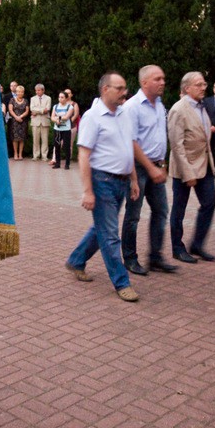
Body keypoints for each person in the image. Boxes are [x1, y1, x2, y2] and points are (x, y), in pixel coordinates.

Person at [66, 72, 140, 302]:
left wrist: (134, 180)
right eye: (119, 88)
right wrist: (88, 191)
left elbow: (128, 148)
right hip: (102, 182)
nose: (124, 92)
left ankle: (77, 260)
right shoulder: (92, 117)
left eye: (125, 88)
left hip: (121, 182)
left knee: (101, 229)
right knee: (110, 235)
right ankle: (122, 282)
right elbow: (84, 154)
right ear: (105, 89)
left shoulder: (124, 114)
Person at [121, 65, 177, 275]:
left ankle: (155, 257)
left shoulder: (159, 104)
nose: (163, 82)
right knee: (133, 214)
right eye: (157, 79)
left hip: (156, 166)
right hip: (137, 168)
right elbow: (131, 141)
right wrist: (150, 168)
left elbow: (159, 136)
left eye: (163, 78)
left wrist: (161, 165)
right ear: (144, 82)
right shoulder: (132, 107)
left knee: (161, 211)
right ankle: (130, 258)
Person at [169, 72, 215, 264]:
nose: (204, 87)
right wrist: (188, 173)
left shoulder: (201, 107)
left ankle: (197, 244)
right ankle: (177, 248)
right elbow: (176, 144)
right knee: (179, 209)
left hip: (204, 164)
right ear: (187, 88)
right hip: (184, 167)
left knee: (209, 203)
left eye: (204, 83)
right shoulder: (178, 110)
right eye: (199, 84)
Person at [50, 91, 74, 170]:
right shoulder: (55, 106)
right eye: (59, 97)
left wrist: (57, 118)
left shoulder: (70, 107)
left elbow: (66, 117)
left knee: (66, 146)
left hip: (66, 129)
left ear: (66, 98)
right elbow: (52, 117)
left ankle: (67, 164)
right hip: (57, 129)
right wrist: (56, 119)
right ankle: (57, 163)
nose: (60, 99)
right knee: (57, 146)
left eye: (62, 97)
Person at [29, 83, 52, 161]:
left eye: (38, 90)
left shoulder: (48, 98)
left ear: (43, 90)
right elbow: (32, 109)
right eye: (36, 90)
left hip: (45, 121)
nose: (37, 92)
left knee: (45, 140)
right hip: (35, 121)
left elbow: (47, 109)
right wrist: (42, 110)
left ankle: (44, 156)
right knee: (35, 140)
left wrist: (37, 111)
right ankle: (36, 155)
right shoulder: (32, 98)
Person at [8, 85, 29, 160]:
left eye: (22, 92)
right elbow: (10, 110)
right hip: (14, 122)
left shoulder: (26, 100)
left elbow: (27, 111)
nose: (20, 93)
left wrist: (21, 117)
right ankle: (15, 154)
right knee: (15, 139)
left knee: (22, 139)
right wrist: (16, 117)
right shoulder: (12, 100)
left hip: (23, 122)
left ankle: (20, 154)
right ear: (16, 92)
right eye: (19, 91)